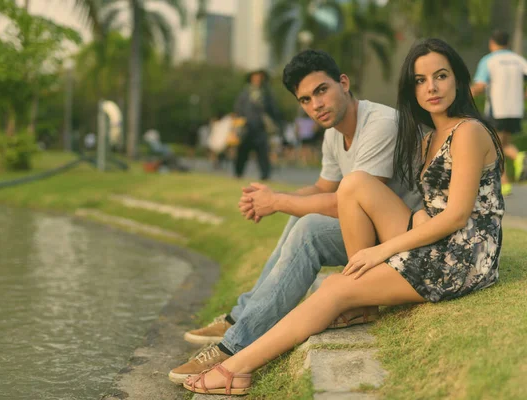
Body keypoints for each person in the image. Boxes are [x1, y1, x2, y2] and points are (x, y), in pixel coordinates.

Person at [181, 37, 505, 396]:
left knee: (334, 289)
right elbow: (419, 203)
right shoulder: (430, 134)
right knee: (353, 184)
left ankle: (234, 367)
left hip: (463, 258)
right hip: (430, 233)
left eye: (440, 76)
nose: (431, 87)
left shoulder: (468, 131)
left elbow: (458, 216)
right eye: (420, 80)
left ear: (458, 79)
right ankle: (349, 301)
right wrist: (274, 198)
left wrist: (380, 251)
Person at [168, 49, 422, 384]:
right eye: (305, 100)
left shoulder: (380, 124)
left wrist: (280, 201)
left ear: (343, 83)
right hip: (371, 235)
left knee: (310, 229)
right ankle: (241, 316)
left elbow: (346, 203)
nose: (315, 105)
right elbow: (321, 189)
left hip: (404, 237)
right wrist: (269, 200)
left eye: (321, 90)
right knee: (299, 218)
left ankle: (235, 347)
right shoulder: (334, 134)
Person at [471, 30, 527, 196]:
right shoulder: (519, 60)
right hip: (516, 110)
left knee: (495, 148)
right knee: (502, 145)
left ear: (492, 43)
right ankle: (508, 179)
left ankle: (516, 160)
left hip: (497, 110)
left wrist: (464, 96)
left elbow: (480, 86)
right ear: (508, 43)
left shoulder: (489, 60)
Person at [233, 69, 281, 181]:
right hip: (247, 127)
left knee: (263, 153)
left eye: (260, 77)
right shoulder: (245, 93)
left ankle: (265, 175)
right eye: (255, 77)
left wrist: (275, 124)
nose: (258, 79)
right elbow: (238, 109)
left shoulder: (267, 93)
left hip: (261, 128)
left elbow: (273, 110)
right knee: (242, 152)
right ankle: (238, 173)